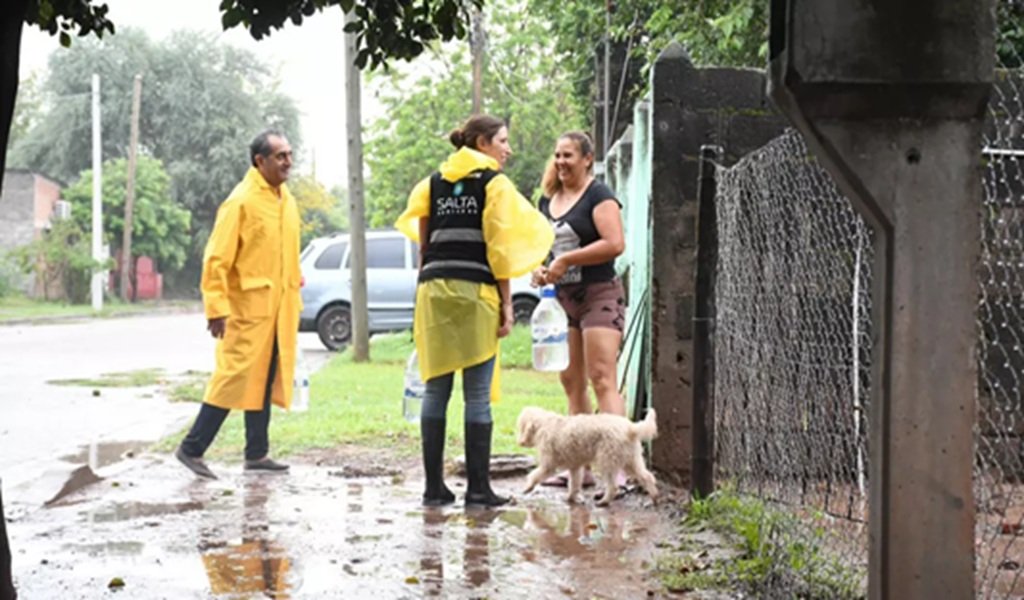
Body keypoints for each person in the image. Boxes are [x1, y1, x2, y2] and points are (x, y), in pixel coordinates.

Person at [396, 114, 553, 507]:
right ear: (482, 143)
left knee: (436, 388)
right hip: (475, 289)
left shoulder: (432, 182)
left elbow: (424, 246)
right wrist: (505, 305)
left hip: (433, 290)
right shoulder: (493, 183)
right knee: (477, 394)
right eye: (503, 140)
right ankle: (478, 490)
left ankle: (434, 489)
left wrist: (425, 295)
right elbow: (499, 248)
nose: (508, 148)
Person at [175, 130, 303, 479]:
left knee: (264, 377)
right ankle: (191, 448)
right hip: (247, 309)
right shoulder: (241, 201)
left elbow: (282, 251)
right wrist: (216, 308)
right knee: (232, 377)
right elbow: (216, 258)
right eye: (280, 156)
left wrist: (295, 279)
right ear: (259, 161)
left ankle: (257, 453)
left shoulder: (285, 199)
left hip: (278, 307)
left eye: (289, 155)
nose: (288, 162)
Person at [532, 131, 626, 489]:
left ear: (588, 158)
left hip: (599, 293)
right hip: (561, 299)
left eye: (569, 155)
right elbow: (545, 250)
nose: (561, 162)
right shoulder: (548, 201)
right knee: (571, 381)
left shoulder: (599, 195)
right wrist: (541, 269)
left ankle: (617, 469)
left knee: (602, 378)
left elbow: (615, 243)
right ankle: (581, 468)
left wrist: (568, 258)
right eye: (557, 155)